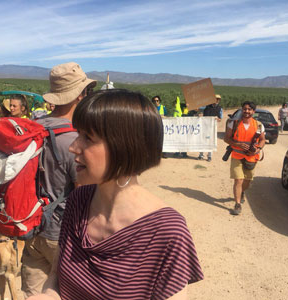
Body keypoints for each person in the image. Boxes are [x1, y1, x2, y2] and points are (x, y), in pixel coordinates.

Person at [27, 89, 203, 300]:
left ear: (125, 147)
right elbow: (56, 276)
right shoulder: (78, 200)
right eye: (77, 135)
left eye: (88, 138)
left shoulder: (167, 233)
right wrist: (49, 295)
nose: (74, 147)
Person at [21, 62, 96, 298]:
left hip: (31, 227)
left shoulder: (33, 128)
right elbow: (85, 194)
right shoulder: (75, 140)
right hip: (61, 234)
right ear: (79, 96)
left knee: (35, 293)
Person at [224, 101, 265, 215]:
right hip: (237, 156)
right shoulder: (234, 123)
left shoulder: (259, 125)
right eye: (245, 109)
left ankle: (242, 192)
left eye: (249, 109)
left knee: (247, 181)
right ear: (242, 110)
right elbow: (226, 139)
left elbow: (262, 140)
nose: (247, 111)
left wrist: (258, 149)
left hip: (251, 157)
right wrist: (237, 144)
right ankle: (237, 204)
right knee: (238, 180)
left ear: (253, 111)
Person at [198, 94, 223, 162]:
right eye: (215, 99)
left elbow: (220, 119)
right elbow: (199, 110)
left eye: (217, 99)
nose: (216, 100)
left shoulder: (220, 108)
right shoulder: (206, 107)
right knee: (202, 140)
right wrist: (200, 114)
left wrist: (218, 119)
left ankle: (209, 156)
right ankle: (201, 154)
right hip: (204, 126)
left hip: (212, 127)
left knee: (210, 141)